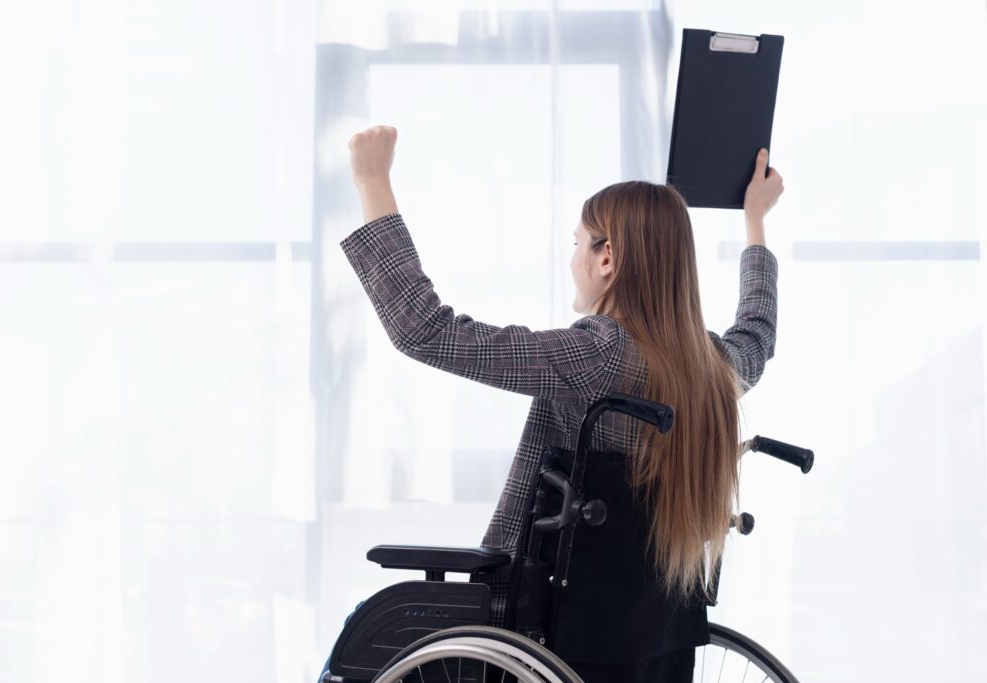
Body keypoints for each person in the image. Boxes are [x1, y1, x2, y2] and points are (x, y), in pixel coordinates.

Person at [316, 125, 784, 683]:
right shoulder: (710, 368)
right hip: (654, 644)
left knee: (362, 645)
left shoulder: (599, 353)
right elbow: (757, 333)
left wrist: (373, 183)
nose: (574, 260)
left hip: (544, 633)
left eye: (578, 242)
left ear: (607, 256)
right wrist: (755, 222)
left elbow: (428, 332)